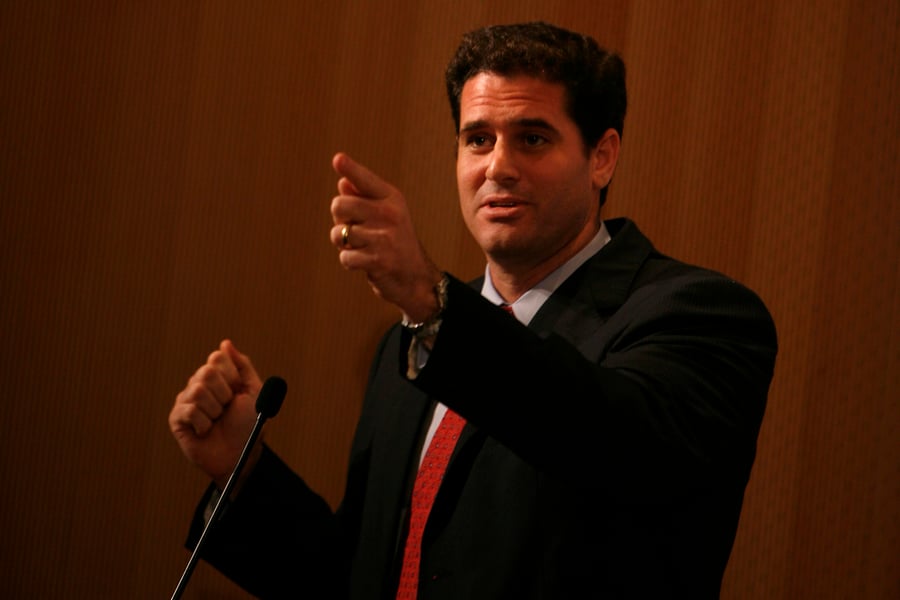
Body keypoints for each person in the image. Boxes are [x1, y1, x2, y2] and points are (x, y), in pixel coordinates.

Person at [169, 21, 777, 599]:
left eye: (532, 139)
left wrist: (430, 303)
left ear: (602, 157)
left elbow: (608, 445)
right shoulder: (412, 342)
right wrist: (244, 472)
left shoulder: (699, 315)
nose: (498, 167)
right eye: (477, 139)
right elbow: (365, 577)